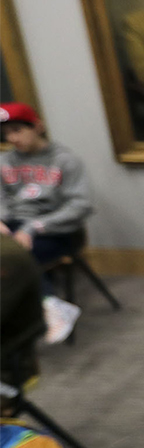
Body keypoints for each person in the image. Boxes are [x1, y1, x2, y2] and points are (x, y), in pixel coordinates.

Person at [0, 103, 91, 344]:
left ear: (38, 127)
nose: (12, 138)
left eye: (18, 130)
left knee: (14, 257)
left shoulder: (65, 160)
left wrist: (34, 227)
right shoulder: (4, 160)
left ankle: (49, 306)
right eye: (7, 133)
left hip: (55, 230)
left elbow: (80, 206)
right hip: (13, 227)